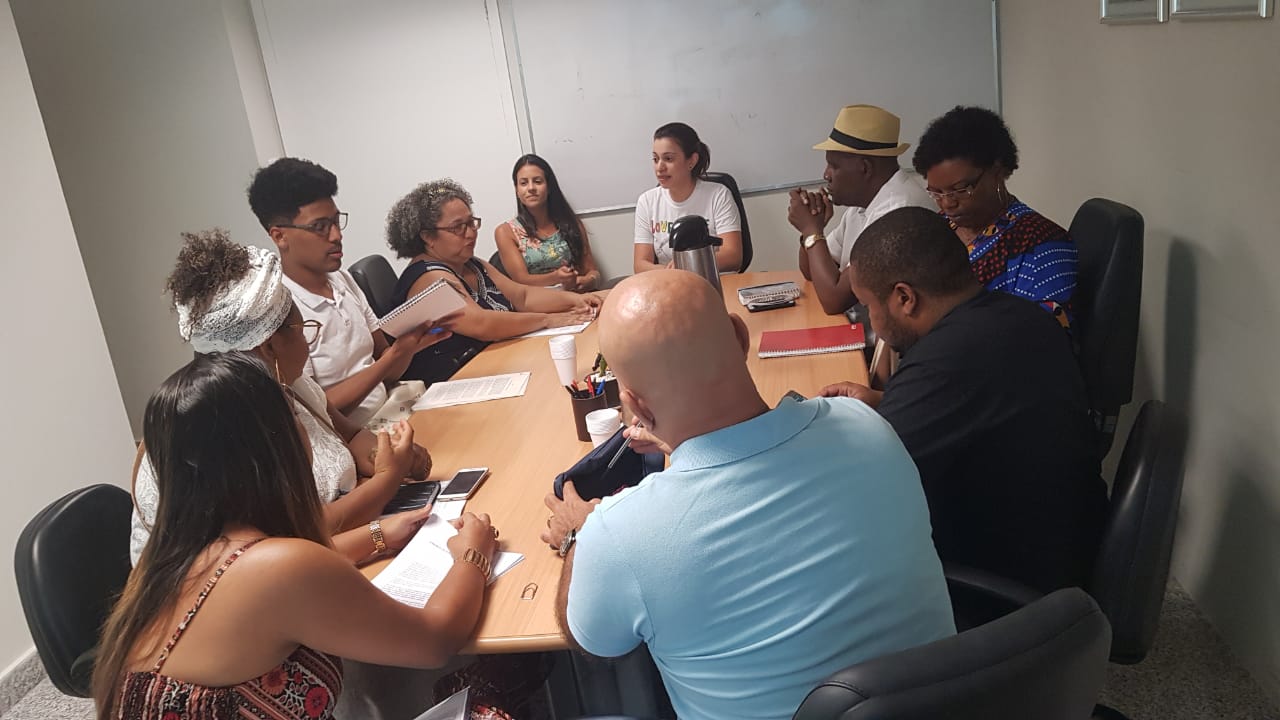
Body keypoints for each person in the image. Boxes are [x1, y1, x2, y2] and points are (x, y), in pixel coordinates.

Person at [541, 270, 955, 720]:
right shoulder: (864, 422)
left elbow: (594, 642)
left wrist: (579, 536)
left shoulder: (619, 536)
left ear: (635, 405)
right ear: (741, 337)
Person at [95, 352, 499, 720]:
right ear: (273, 446)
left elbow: (263, 581)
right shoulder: (279, 567)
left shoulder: (172, 556)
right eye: (295, 419)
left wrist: (376, 535)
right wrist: (473, 555)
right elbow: (434, 640)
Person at [820, 207, 1107, 594]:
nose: (871, 320)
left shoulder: (945, 361)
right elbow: (976, 409)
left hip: (1010, 582)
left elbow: (858, 482)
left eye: (868, 306)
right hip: (1060, 538)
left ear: (904, 297)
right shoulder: (1016, 315)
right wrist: (887, 401)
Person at [129, 230, 441, 564]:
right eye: (304, 330)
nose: (307, 341)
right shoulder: (221, 428)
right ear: (269, 347)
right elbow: (296, 535)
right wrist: (387, 480)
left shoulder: (290, 384)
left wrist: (388, 454)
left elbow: (349, 436)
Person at [248, 157, 450, 425]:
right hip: (354, 437)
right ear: (279, 236)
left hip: (393, 409)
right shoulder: (281, 313)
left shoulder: (342, 280)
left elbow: (386, 369)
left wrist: (408, 349)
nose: (336, 235)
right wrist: (393, 357)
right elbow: (316, 411)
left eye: (336, 221)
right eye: (320, 227)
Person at [385, 178, 602, 384]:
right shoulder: (428, 277)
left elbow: (522, 296)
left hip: (495, 362)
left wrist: (574, 300)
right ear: (428, 237)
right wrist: (548, 320)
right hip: (454, 381)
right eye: (457, 227)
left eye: (471, 223)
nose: (470, 233)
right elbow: (483, 324)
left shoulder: (471, 264)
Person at [912, 106, 1078, 329]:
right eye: (937, 193)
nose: (948, 203)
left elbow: (1046, 335)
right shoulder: (938, 228)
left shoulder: (1041, 244)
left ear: (997, 172)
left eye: (961, 189)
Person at [790, 104, 935, 315]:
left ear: (865, 168)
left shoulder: (898, 212)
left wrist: (811, 230)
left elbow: (834, 300)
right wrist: (812, 229)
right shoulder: (861, 207)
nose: (826, 175)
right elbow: (811, 273)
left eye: (834, 166)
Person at [633, 122, 742, 273]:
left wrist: (688, 263)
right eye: (656, 159)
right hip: (671, 282)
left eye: (668, 159)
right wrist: (673, 273)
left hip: (714, 280)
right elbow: (640, 265)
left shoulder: (718, 195)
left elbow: (733, 256)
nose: (659, 167)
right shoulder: (647, 201)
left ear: (692, 160)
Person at [495, 154, 601, 292]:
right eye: (524, 183)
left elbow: (593, 271)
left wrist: (589, 280)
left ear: (549, 187)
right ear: (517, 190)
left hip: (578, 296)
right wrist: (556, 277)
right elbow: (521, 280)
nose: (531, 188)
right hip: (539, 301)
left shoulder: (571, 224)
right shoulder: (505, 232)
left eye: (537, 181)